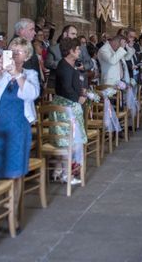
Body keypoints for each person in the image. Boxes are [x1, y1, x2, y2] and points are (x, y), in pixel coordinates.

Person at [0, 37, 40, 221]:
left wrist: (17, 75)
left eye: (18, 52)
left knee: (15, 172)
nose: (13, 55)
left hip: (17, 128)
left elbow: (31, 94)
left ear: (26, 57)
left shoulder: (30, 74)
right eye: (11, 50)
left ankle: (13, 215)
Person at [50, 38, 88, 183]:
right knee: (69, 141)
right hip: (66, 108)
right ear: (70, 51)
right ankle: (67, 173)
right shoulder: (64, 66)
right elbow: (66, 88)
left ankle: (59, 170)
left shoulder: (70, 64)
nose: (79, 51)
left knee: (71, 141)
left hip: (69, 105)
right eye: (77, 49)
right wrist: (78, 98)